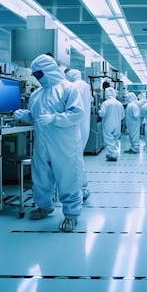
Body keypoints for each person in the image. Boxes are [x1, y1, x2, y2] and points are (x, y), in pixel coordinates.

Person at [13, 54, 83, 231]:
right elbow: (34, 116)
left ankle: (71, 214)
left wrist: (54, 118)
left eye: (39, 73)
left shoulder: (68, 89)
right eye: (34, 74)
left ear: (49, 70)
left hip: (64, 144)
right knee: (41, 176)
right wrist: (23, 116)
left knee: (68, 177)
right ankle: (44, 206)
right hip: (41, 143)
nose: (37, 77)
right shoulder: (36, 95)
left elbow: (76, 113)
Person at [65, 68, 91, 201]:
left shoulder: (73, 86)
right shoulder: (86, 86)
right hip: (85, 125)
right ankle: (82, 188)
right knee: (78, 157)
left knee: (75, 159)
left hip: (76, 126)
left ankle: (81, 189)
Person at [98, 87, 124, 161]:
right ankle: (111, 153)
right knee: (115, 139)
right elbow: (122, 116)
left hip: (108, 124)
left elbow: (102, 114)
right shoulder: (119, 104)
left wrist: (98, 111)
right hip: (117, 124)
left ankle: (113, 154)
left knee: (109, 139)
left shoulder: (105, 103)